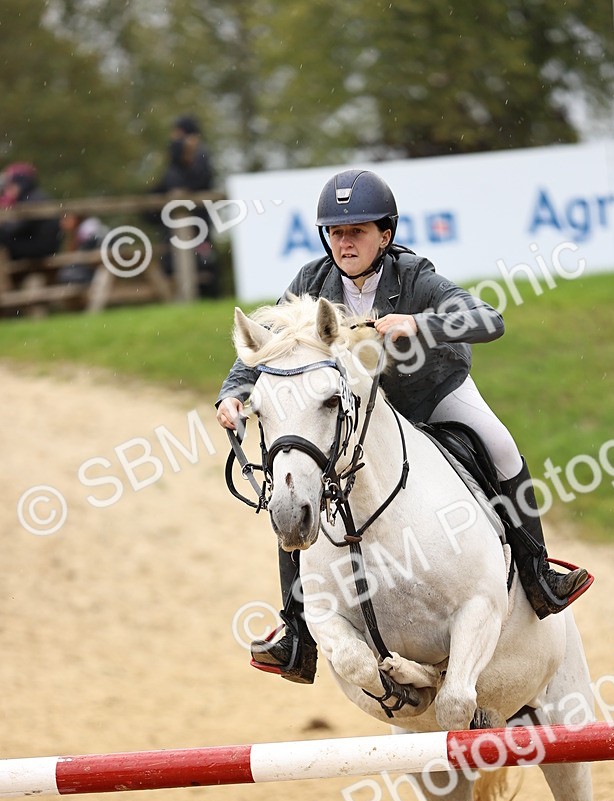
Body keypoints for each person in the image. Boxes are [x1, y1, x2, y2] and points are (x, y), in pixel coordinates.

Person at [215, 169, 590, 684]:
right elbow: (270, 348)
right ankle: (297, 632)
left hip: (431, 395)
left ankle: (537, 572)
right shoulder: (309, 283)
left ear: (384, 235)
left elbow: (490, 320)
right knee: (295, 492)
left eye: (357, 231)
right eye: (336, 233)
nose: (344, 243)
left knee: (501, 446)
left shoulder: (415, 276)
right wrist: (232, 393)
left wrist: (422, 324)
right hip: (357, 415)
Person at [148, 115, 218, 298]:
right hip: (186, 224)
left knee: (200, 265)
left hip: (195, 223)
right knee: (186, 264)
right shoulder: (181, 157)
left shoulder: (199, 156)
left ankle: (197, 296)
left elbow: (197, 182)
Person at [0, 163, 61, 262]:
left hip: (40, 250)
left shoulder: (32, 199)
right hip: (45, 248)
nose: (7, 190)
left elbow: (14, 229)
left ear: (20, 184)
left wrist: (3, 226)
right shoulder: (36, 196)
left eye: (11, 185)